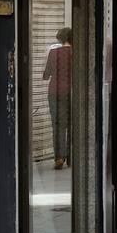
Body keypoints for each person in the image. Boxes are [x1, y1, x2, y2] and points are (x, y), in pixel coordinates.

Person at [43, 26, 73, 169]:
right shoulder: (76, 53)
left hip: (54, 92)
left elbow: (46, 75)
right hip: (71, 92)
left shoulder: (52, 52)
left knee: (57, 125)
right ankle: (71, 157)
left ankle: (59, 158)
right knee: (72, 124)